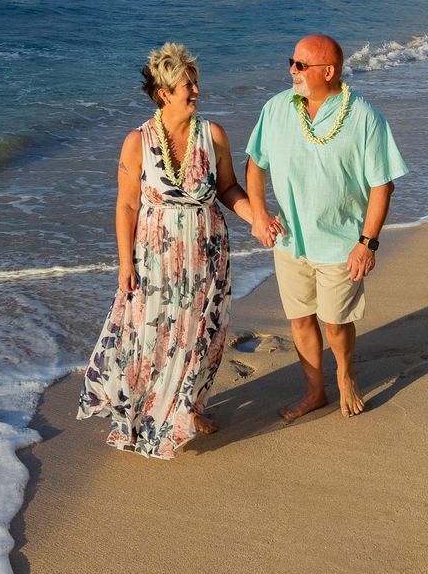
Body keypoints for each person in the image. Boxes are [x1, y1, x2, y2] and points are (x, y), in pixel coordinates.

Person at [77, 43, 263, 459]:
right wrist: (125, 263)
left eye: (195, 82)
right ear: (164, 92)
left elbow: (229, 188)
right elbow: (126, 205)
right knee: (153, 336)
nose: (196, 90)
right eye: (187, 84)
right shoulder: (136, 142)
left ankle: (189, 408)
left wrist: (256, 218)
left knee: (201, 334)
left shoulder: (212, 135)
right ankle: (144, 415)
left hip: (206, 253)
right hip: (155, 258)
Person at [246, 33, 407, 422]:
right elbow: (255, 164)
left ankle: (345, 375)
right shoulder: (276, 108)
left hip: (341, 243)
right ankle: (315, 392)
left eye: (301, 65)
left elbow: (382, 183)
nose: (292, 71)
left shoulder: (364, 116)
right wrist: (258, 215)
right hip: (289, 240)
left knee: (335, 323)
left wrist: (367, 243)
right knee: (300, 320)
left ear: (328, 71)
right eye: (292, 62)